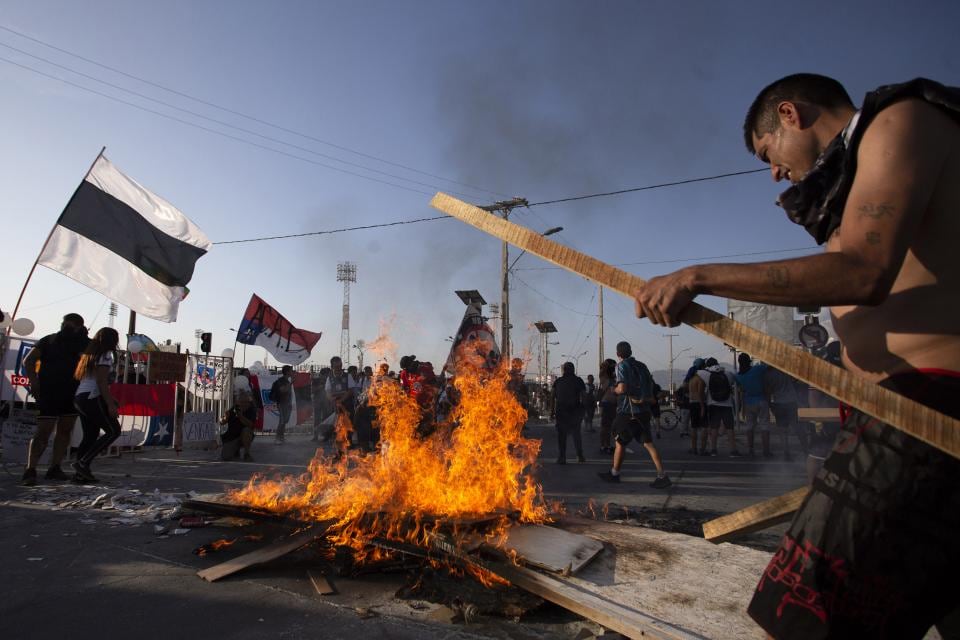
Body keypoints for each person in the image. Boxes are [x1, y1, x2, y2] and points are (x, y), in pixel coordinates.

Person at [632, 73, 960, 639]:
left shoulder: (900, 119)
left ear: (791, 114)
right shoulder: (858, 180)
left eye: (769, 154)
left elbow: (864, 270)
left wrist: (698, 276)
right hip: (895, 413)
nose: (776, 173)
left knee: (802, 617)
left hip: (926, 415)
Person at [21, 313, 90, 485]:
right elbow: (28, 361)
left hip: (72, 392)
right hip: (49, 391)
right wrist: (35, 383)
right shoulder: (49, 340)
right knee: (43, 431)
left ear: (79, 327)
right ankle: (31, 469)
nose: (66, 328)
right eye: (65, 324)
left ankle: (55, 467)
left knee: (65, 431)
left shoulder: (86, 344)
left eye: (70, 326)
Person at [598, 342, 670, 488]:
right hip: (643, 410)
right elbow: (650, 385)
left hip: (627, 411)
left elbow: (622, 388)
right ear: (630, 351)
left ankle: (615, 474)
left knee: (618, 439)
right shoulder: (642, 366)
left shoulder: (622, 366)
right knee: (648, 444)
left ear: (618, 354)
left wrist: (614, 390)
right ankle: (662, 475)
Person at [71, 327, 121, 483]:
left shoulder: (90, 354)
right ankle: (83, 463)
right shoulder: (106, 355)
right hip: (92, 397)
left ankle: (80, 474)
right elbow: (101, 382)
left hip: (81, 396)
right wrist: (110, 404)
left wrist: (111, 399)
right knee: (113, 431)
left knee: (90, 435)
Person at [697, 357, 741, 457]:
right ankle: (733, 451)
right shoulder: (728, 374)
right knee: (730, 428)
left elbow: (698, 372)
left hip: (713, 405)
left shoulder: (706, 375)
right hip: (727, 404)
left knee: (714, 428)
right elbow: (736, 380)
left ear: (708, 366)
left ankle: (713, 450)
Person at [735, 353, 771, 457]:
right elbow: (769, 367)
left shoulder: (738, 376)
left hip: (748, 403)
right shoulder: (757, 369)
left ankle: (750, 449)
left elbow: (741, 390)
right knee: (764, 425)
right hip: (761, 400)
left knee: (750, 426)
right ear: (749, 361)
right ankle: (766, 451)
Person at [552, 361, 586, 464]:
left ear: (564, 370)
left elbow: (552, 397)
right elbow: (584, 396)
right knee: (576, 434)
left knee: (562, 435)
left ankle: (562, 457)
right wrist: (583, 409)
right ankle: (580, 456)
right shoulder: (578, 380)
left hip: (561, 411)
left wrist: (551, 411)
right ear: (573, 370)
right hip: (574, 411)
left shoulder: (558, 381)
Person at [219, 391, 256, 461]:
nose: (244, 404)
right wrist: (225, 418)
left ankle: (246, 453)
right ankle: (236, 450)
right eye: (242, 402)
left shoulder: (252, 410)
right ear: (237, 402)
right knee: (226, 457)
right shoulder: (233, 410)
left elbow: (250, 425)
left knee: (247, 430)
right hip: (232, 437)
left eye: (246, 402)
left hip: (244, 436)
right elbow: (221, 422)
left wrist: (240, 416)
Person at [685, 358, 708, 455]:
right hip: (699, 403)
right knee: (704, 427)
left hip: (692, 404)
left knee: (694, 427)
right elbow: (700, 393)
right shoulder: (700, 379)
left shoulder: (690, 379)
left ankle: (693, 448)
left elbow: (686, 390)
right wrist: (702, 407)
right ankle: (702, 449)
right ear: (702, 366)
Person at [597, 359, 617, 454]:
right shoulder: (603, 376)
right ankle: (602, 446)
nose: (613, 367)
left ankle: (608, 445)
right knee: (605, 427)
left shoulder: (613, 377)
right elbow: (602, 366)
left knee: (609, 427)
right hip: (606, 404)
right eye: (612, 366)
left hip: (613, 404)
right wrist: (607, 363)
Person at [269, 365, 294, 443]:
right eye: (290, 371)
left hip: (287, 403)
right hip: (282, 403)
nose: (292, 372)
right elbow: (282, 390)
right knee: (282, 421)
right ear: (287, 372)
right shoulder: (281, 380)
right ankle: (277, 438)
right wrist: (291, 383)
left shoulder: (286, 381)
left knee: (285, 421)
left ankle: (281, 437)